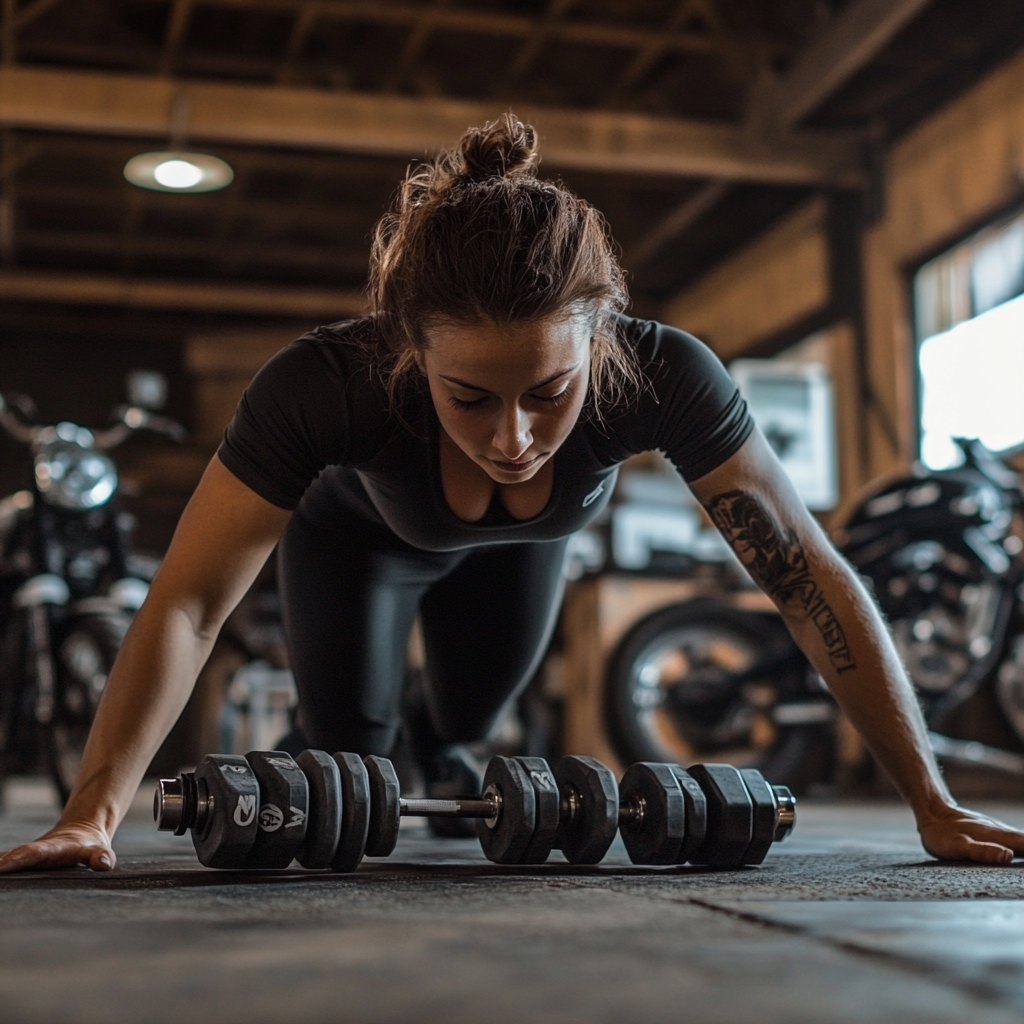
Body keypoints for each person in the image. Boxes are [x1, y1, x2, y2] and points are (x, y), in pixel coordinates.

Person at [2, 115, 1022, 874]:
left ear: (600, 339)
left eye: (549, 392)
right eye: (469, 397)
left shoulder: (667, 376)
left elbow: (802, 576)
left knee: (459, 724)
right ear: (411, 352)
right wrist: (93, 810)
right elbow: (186, 599)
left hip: (523, 554)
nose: (514, 437)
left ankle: (418, 726)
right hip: (357, 547)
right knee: (355, 766)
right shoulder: (324, 383)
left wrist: (927, 798)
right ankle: (346, 726)